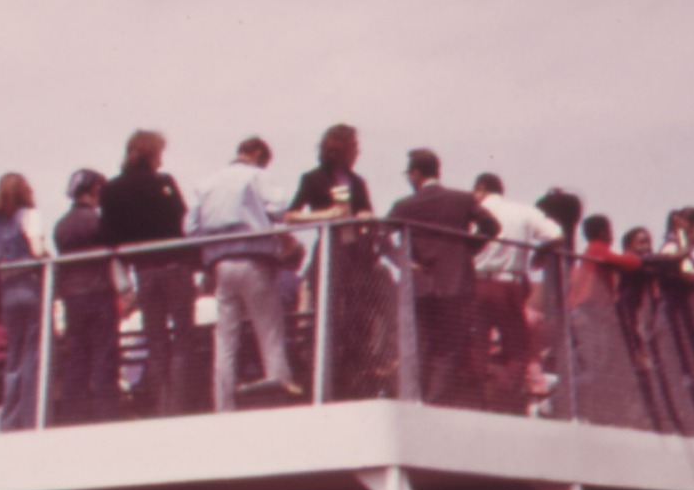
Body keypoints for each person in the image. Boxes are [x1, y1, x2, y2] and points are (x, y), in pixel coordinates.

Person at [190, 135, 306, 413]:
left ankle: (223, 405)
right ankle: (279, 394)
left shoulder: (206, 184)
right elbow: (278, 209)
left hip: (220, 264)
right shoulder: (257, 176)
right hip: (254, 261)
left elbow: (191, 227)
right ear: (256, 154)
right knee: (269, 333)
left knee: (225, 340)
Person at [387, 148, 499, 407]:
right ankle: (436, 402)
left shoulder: (405, 205)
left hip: (420, 284)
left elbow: (380, 235)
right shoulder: (462, 199)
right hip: (457, 283)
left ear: (415, 173)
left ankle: (416, 400)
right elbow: (492, 227)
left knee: (420, 343)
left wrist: (402, 262)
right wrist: (466, 250)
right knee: (448, 347)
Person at [97, 130, 194, 418]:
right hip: (174, 265)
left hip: (144, 270)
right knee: (183, 337)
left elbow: (109, 233)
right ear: (153, 153)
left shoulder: (111, 189)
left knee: (155, 340)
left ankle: (162, 404)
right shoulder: (163, 182)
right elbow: (181, 219)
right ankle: (179, 404)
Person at [290, 125, 379, 399]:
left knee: (356, 315)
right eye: (354, 146)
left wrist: (365, 216)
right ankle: (325, 376)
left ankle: (354, 377)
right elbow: (291, 215)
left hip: (355, 253)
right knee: (326, 313)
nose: (358, 152)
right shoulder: (312, 179)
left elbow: (366, 210)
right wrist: (325, 215)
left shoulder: (357, 181)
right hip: (329, 250)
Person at [469, 173, 564, 416]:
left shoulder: (474, 210)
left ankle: (477, 399)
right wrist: (539, 253)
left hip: (478, 282)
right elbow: (556, 235)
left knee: (477, 344)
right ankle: (507, 399)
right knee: (517, 347)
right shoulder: (523, 211)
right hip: (510, 284)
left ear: (480, 188)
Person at [0, 172, 50, 433]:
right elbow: (37, 250)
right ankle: (31, 416)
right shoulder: (29, 216)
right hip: (29, 287)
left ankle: (9, 419)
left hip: (7, 291)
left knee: (14, 356)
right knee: (31, 353)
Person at [51, 169, 123, 428]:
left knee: (76, 359)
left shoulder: (61, 225)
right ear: (93, 189)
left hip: (72, 298)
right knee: (104, 356)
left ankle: (73, 417)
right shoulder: (97, 221)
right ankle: (108, 416)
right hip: (99, 294)